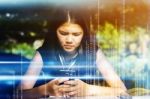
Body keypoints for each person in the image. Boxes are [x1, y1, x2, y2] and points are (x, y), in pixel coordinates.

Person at [19, 9, 127, 98]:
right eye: (63, 33)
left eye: (76, 34)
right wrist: (44, 89)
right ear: (54, 31)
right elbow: (19, 94)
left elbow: (122, 90)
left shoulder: (94, 52)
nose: (69, 40)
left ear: (84, 34)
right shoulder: (43, 54)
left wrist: (89, 89)